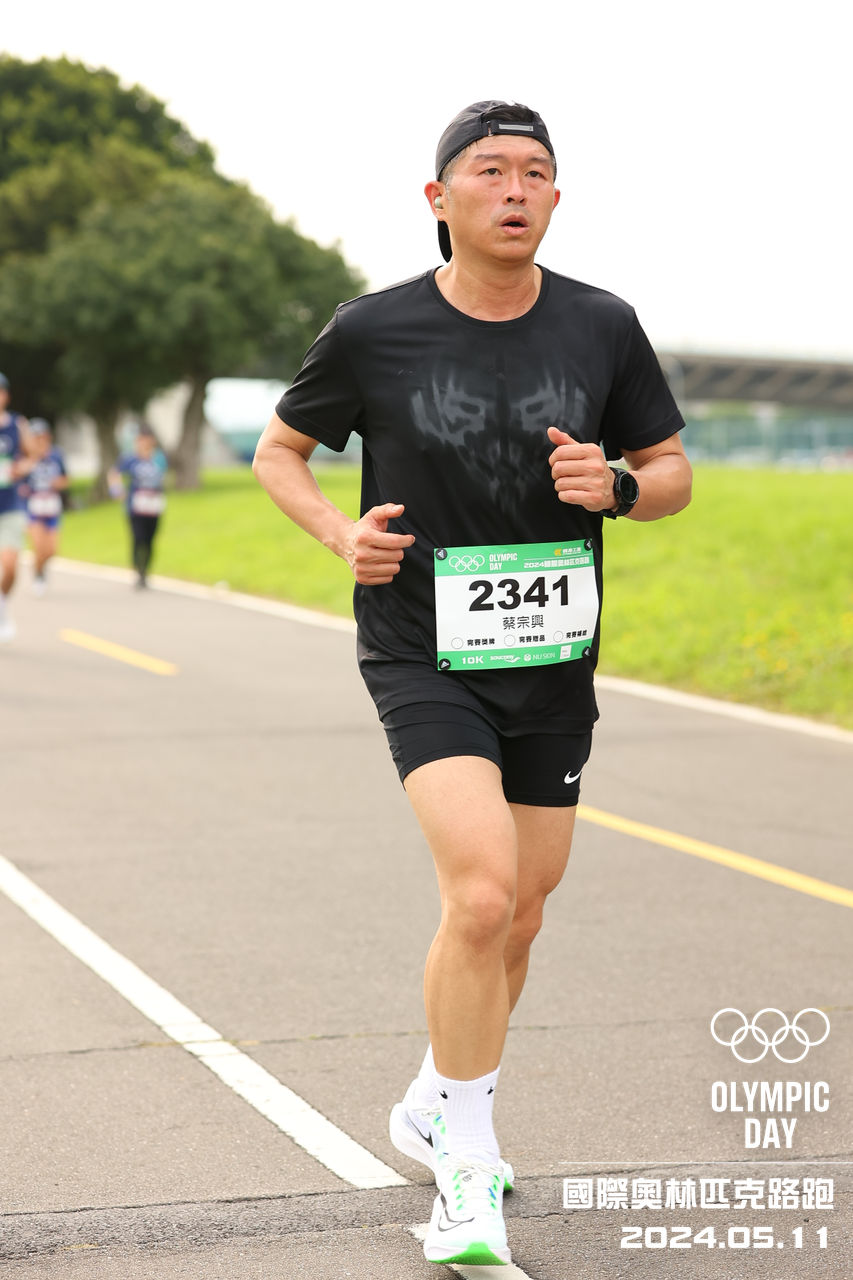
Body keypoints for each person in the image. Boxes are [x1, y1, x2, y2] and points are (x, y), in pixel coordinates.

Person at [253, 100, 692, 1268]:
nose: (515, 189)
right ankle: (464, 1160)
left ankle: (434, 1094)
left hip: (552, 655)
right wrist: (340, 536)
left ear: (556, 198)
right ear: (437, 197)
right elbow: (278, 451)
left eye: (535, 172)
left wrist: (620, 488)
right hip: (422, 647)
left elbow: (669, 469)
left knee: (525, 909)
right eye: (490, 170)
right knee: (485, 893)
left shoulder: (602, 325)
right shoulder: (373, 330)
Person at [109, 425, 167, 589]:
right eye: (141, 439)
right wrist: (117, 490)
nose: (144, 443)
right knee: (137, 538)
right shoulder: (130, 459)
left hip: (153, 505)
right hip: (135, 506)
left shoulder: (159, 459)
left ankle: (145, 571)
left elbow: (162, 478)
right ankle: (138, 571)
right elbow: (114, 473)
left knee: (150, 540)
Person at [0, 372, 33, 641]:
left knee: (10, 567)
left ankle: (2, 606)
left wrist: (20, 468)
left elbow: (32, 456)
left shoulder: (18, 424)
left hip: (9, 505)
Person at [21, 418, 69, 595]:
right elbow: (18, 480)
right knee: (39, 547)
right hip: (33, 509)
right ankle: (38, 575)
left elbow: (66, 479)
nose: (40, 440)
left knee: (51, 550)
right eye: (36, 437)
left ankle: (40, 568)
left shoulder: (56, 455)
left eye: (42, 436)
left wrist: (58, 483)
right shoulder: (26, 457)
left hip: (52, 507)